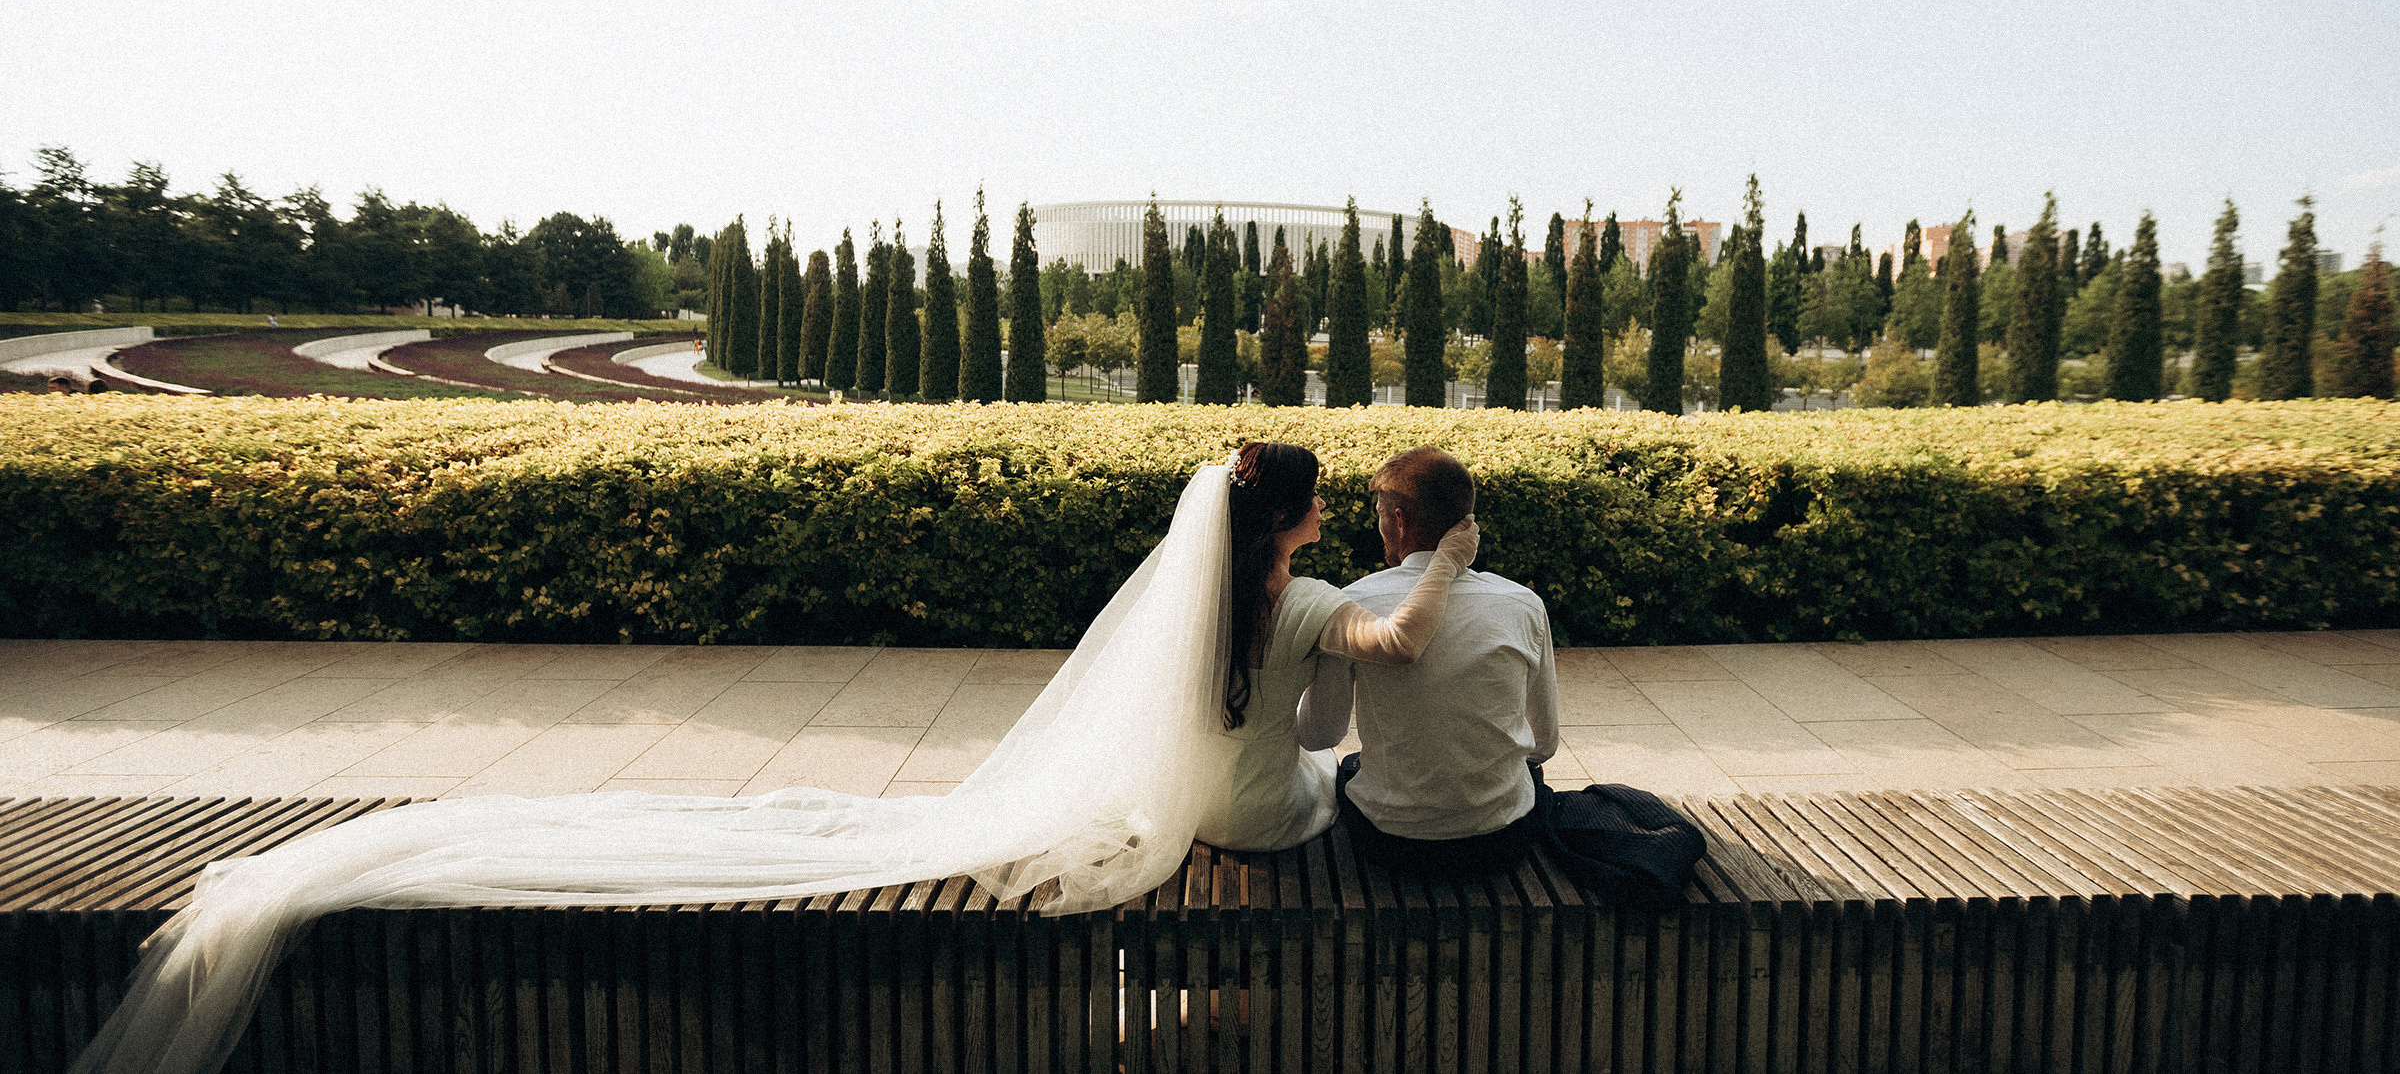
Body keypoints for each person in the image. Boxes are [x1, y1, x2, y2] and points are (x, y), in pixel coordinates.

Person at [69, 448, 1467, 1074]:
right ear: (1292, 520)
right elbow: (1396, 652)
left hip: (1180, 809)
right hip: (1267, 829)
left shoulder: (1208, 602)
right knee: (1335, 786)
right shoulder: (1301, 602)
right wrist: (1454, 556)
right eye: (1325, 502)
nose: (1337, 511)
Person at [1198, 442, 1477, 852]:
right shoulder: (1306, 600)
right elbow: (1399, 642)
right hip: (1266, 814)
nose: (1322, 503)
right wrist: (1446, 561)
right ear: (1280, 515)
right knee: (1335, 774)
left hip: (1199, 802)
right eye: (1312, 494)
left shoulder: (1199, 590)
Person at [1303, 446, 1560, 874]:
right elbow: (1545, 743)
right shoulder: (1523, 604)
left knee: (1351, 768)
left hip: (1390, 842)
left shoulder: (1355, 601)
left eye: (1380, 513)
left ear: (1399, 520)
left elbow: (1320, 733)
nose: (1378, 525)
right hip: (1502, 842)